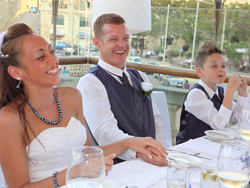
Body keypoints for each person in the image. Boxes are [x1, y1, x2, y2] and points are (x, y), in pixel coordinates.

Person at [0, 23, 167, 188]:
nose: (54, 60)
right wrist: (74, 172)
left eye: (51, 51)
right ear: (16, 72)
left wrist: (132, 142)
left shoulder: (72, 96)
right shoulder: (9, 118)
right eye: (40, 57)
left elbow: (87, 154)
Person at [77, 13, 169, 166]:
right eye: (114, 39)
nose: (122, 45)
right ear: (97, 43)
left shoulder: (141, 76)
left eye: (125, 38)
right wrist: (139, 152)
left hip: (155, 162)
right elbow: (105, 131)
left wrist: (163, 149)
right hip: (120, 166)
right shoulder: (90, 82)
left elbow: (156, 121)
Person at [176, 42, 250, 144]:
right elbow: (220, 125)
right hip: (191, 150)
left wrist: (243, 94)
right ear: (200, 71)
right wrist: (230, 91)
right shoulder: (196, 94)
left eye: (223, 66)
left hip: (212, 147)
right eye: (214, 66)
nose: (221, 70)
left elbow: (241, 119)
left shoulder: (220, 92)